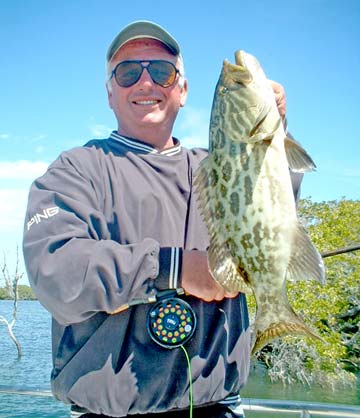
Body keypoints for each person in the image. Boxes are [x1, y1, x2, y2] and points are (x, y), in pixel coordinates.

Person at [23, 20, 301, 418]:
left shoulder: (218, 165)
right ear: (109, 93)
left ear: (183, 90)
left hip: (219, 407)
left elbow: (275, 208)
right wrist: (175, 269)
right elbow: (54, 271)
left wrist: (274, 132)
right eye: (128, 72)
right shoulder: (75, 171)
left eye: (162, 71)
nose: (146, 83)